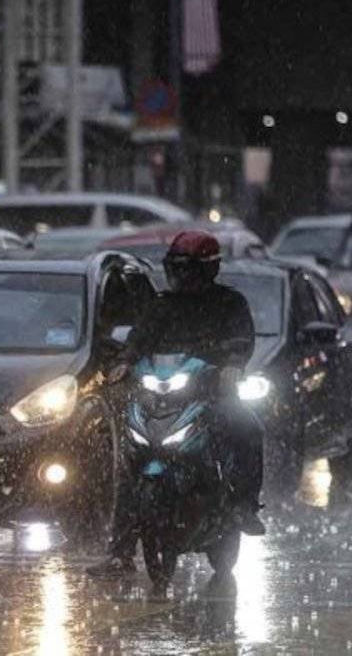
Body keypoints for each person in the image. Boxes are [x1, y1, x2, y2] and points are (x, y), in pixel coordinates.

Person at [87, 231, 266, 578]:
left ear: (208, 270)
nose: (182, 277)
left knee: (249, 429)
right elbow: (138, 341)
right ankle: (119, 554)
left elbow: (241, 342)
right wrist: (124, 362)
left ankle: (244, 506)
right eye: (178, 269)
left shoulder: (230, 304)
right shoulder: (162, 306)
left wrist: (231, 367)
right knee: (129, 462)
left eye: (190, 270)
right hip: (159, 397)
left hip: (211, 394)